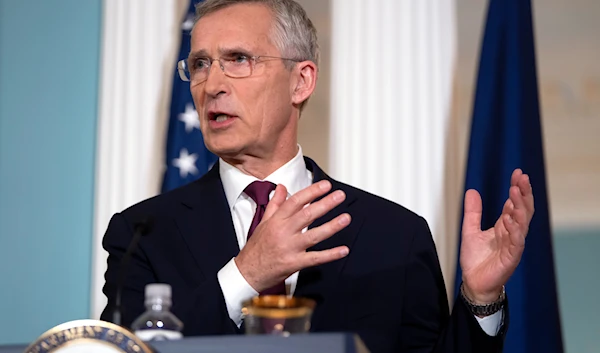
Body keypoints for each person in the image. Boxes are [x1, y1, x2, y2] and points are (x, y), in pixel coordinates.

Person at [100, 1, 535, 352]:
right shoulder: (143, 234)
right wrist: (245, 275)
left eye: (237, 59)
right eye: (199, 64)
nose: (211, 84)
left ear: (301, 81)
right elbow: (125, 351)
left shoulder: (395, 236)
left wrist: (480, 300)